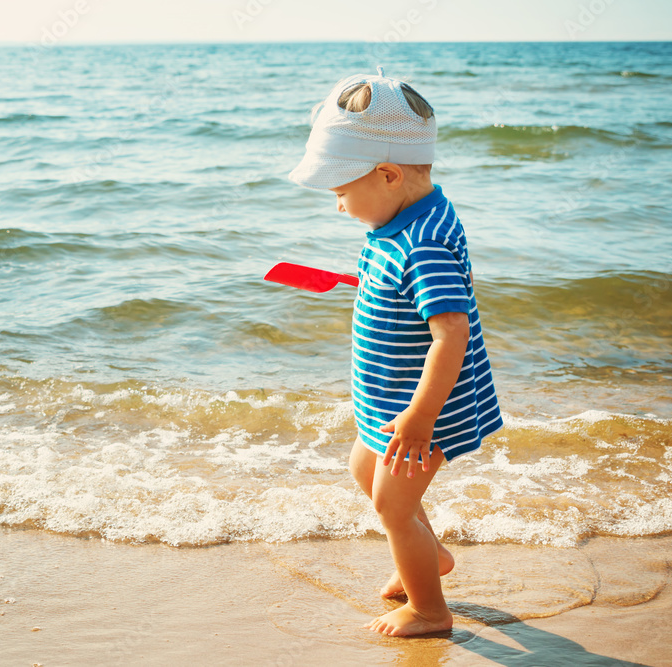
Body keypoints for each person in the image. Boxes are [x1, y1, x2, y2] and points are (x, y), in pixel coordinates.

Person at [287, 67, 504, 637]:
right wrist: (375, 280)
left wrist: (422, 415)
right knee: (364, 467)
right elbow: (415, 287)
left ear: (386, 174)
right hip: (390, 397)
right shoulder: (405, 219)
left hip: (422, 405)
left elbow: (450, 332)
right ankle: (429, 557)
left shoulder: (423, 242)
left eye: (341, 193)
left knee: (392, 506)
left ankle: (431, 611)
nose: (338, 207)